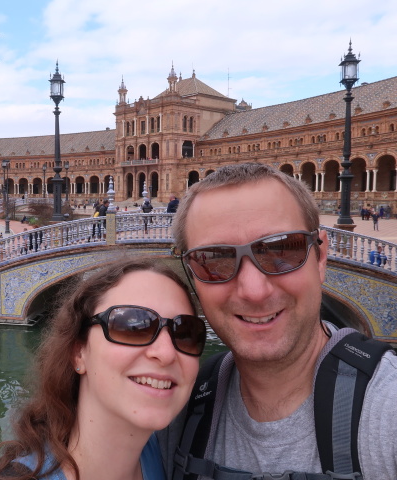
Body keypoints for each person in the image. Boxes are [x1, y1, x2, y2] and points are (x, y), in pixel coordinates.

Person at [160, 162, 397, 480]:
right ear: (190, 273)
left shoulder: (388, 411)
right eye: (214, 260)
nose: (254, 291)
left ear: (321, 255)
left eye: (282, 250)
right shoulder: (174, 411)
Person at [0, 257, 206, 480]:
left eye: (185, 333)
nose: (166, 353)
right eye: (133, 326)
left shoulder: (169, 454)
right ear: (77, 352)